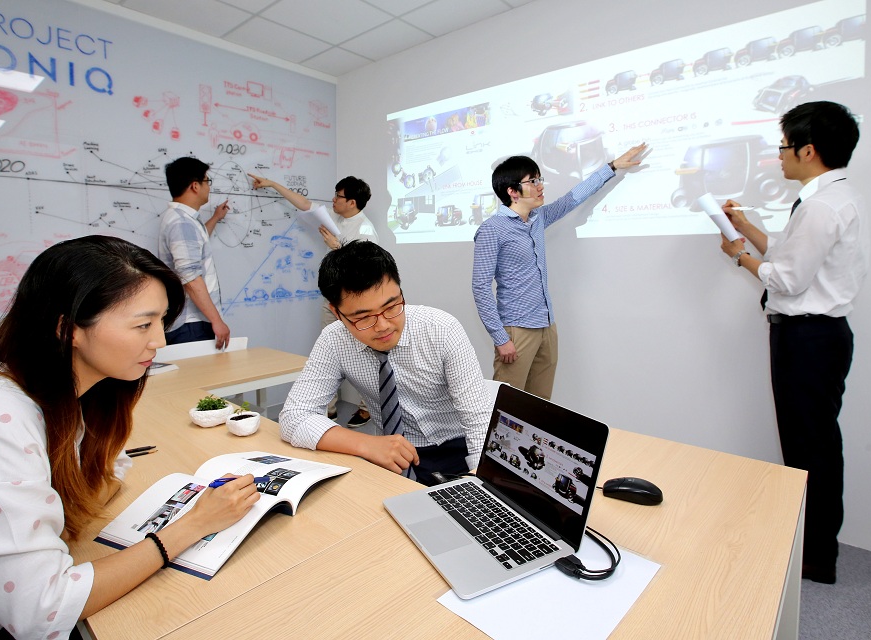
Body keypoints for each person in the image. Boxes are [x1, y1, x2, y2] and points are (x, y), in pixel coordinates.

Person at [0, 236, 259, 639]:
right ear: (68, 329)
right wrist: (193, 525)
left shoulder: (62, 390)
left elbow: (105, 472)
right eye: (143, 325)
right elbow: (43, 610)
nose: (159, 341)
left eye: (161, 321)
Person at [719, 101, 867, 584]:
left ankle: (817, 556)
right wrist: (746, 229)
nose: (779, 155)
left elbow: (787, 278)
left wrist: (738, 255)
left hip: (809, 338)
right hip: (814, 337)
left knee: (812, 449)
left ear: (808, 150)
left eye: (784, 146)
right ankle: (814, 547)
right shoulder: (830, 198)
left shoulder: (822, 205)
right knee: (810, 444)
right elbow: (788, 256)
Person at [278, 240, 490, 486]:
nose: (383, 326)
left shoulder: (441, 330)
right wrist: (366, 444)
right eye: (363, 318)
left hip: (460, 448)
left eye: (391, 307)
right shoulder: (334, 340)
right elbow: (294, 416)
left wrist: (480, 481)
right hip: (389, 455)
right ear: (337, 313)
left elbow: (479, 421)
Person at [472, 144, 647, 399]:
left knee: (541, 405)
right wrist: (500, 338)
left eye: (539, 179)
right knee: (506, 407)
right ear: (512, 191)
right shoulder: (492, 229)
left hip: (546, 326)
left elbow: (571, 199)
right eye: (532, 181)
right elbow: (480, 287)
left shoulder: (537, 219)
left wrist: (611, 167)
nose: (540, 186)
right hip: (516, 330)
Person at [248, 173, 377, 427]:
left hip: (356, 305)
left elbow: (365, 271)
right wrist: (272, 184)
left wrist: (337, 247)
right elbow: (305, 204)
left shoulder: (366, 230)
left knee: (362, 355)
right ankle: (328, 409)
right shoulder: (336, 217)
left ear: (352, 202)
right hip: (332, 301)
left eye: (338, 196)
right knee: (328, 352)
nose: (333, 200)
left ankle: (368, 407)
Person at [158, 157, 231, 348]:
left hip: (192, 323)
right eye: (207, 181)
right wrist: (216, 320)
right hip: (191, 324)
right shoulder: (182, 222)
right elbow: (189, 277)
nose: (209, 187)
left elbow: (195, 243)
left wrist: (215, 218)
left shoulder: (183, 219)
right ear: (195, 186)